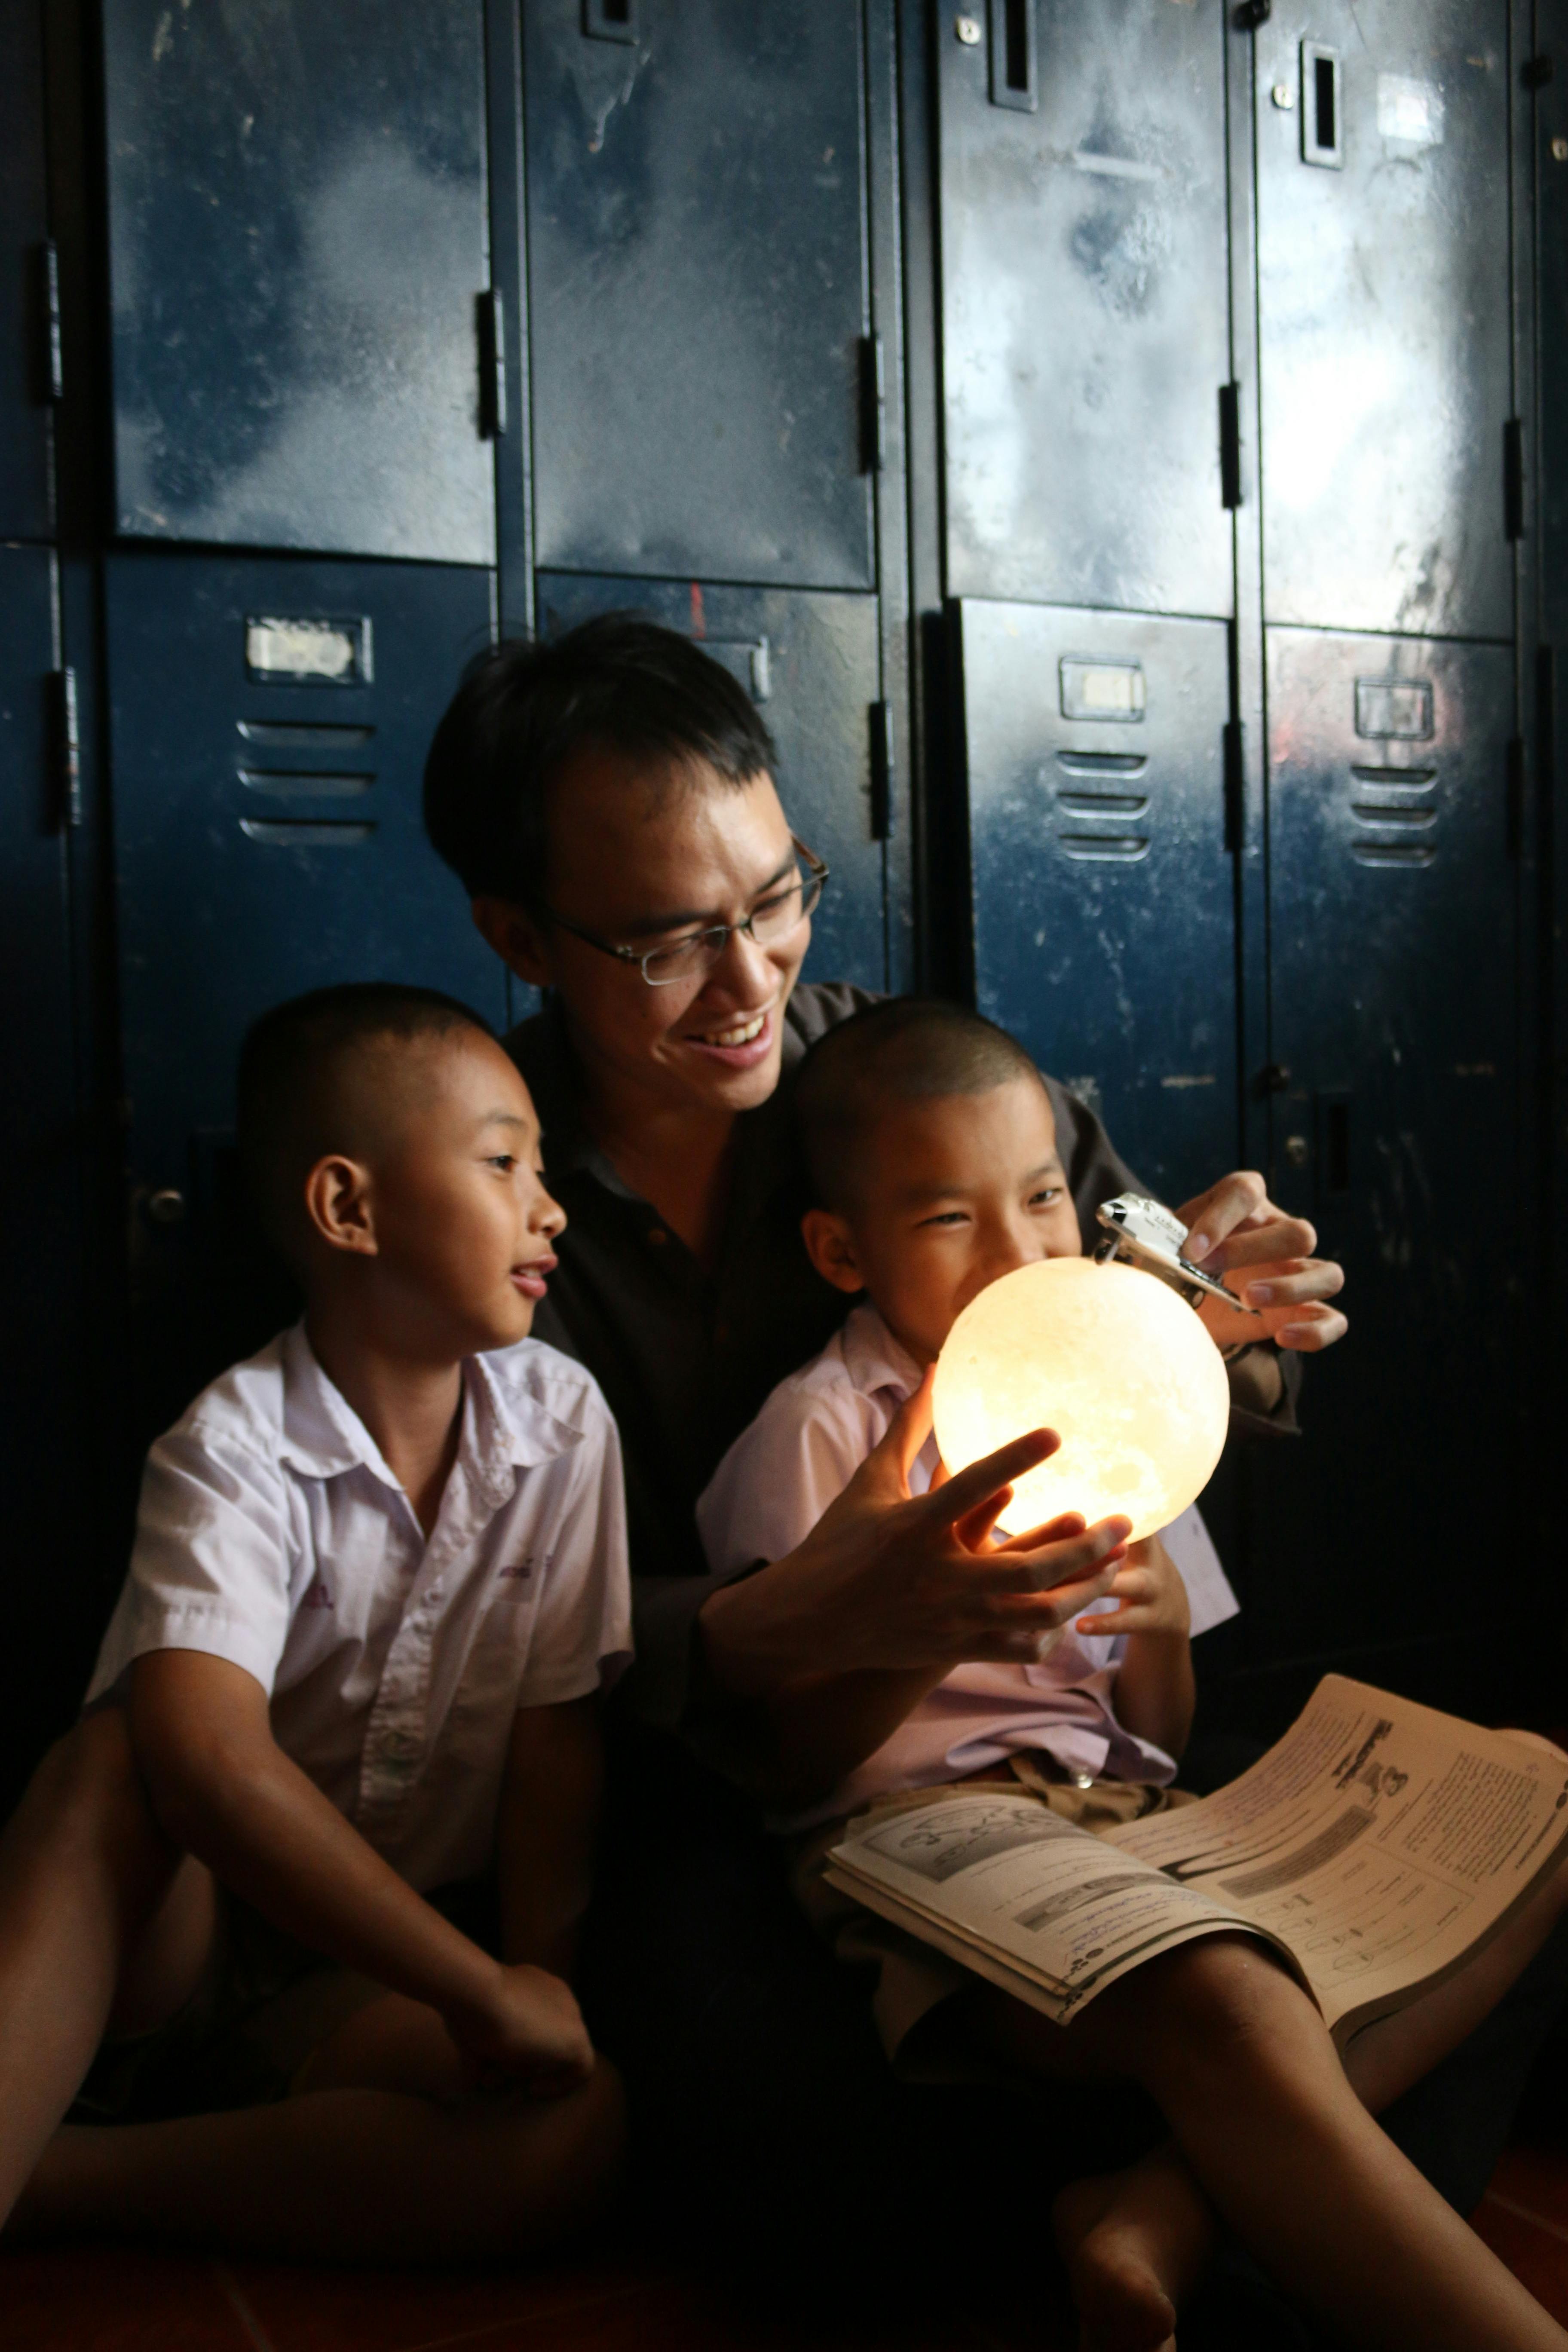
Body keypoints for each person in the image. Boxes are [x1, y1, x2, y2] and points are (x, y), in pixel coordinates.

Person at [421, 616, 1562, 2321]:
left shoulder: (926, 1086)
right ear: (520, 935)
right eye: (669, 941)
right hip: (747, 1814)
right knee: (814, 2137)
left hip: (1075, 1738)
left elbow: (1142, 1337)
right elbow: (480, 1623)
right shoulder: (481, 1186)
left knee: (1481, 1850)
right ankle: (1231, 2227)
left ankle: (1178, 2220)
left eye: (776, 897)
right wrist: (794, 1623)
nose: (752, 984)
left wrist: (1213, 1327)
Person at [694, 995, 1568, 2352]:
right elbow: (790, 1758)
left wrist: (1155, 1622)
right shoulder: (821, 1427)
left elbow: (1157, 1729)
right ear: (838, 1248)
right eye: (946, 1218)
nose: (1017, 1253)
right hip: (918, 1838)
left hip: (1126, 1818)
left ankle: (1160, 2207)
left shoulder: (1115, 1395)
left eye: (1044, 1198)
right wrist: (928, 1619)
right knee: (1234, 1993)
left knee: (1536, 1797)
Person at [0, 984, 630, 2262]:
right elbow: (207, 1766)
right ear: (349, 1208)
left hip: (359, 1982)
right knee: (124, 1752)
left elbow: (557, 1746)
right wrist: (478, 1988)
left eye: (544, 1169)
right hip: (170, 1955)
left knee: (575, 2124)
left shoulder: (563, 1422)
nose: (550, 1208)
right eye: (505, 1163)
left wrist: (535, 1990)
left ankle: (56, 2180)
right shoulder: (232, 1447)